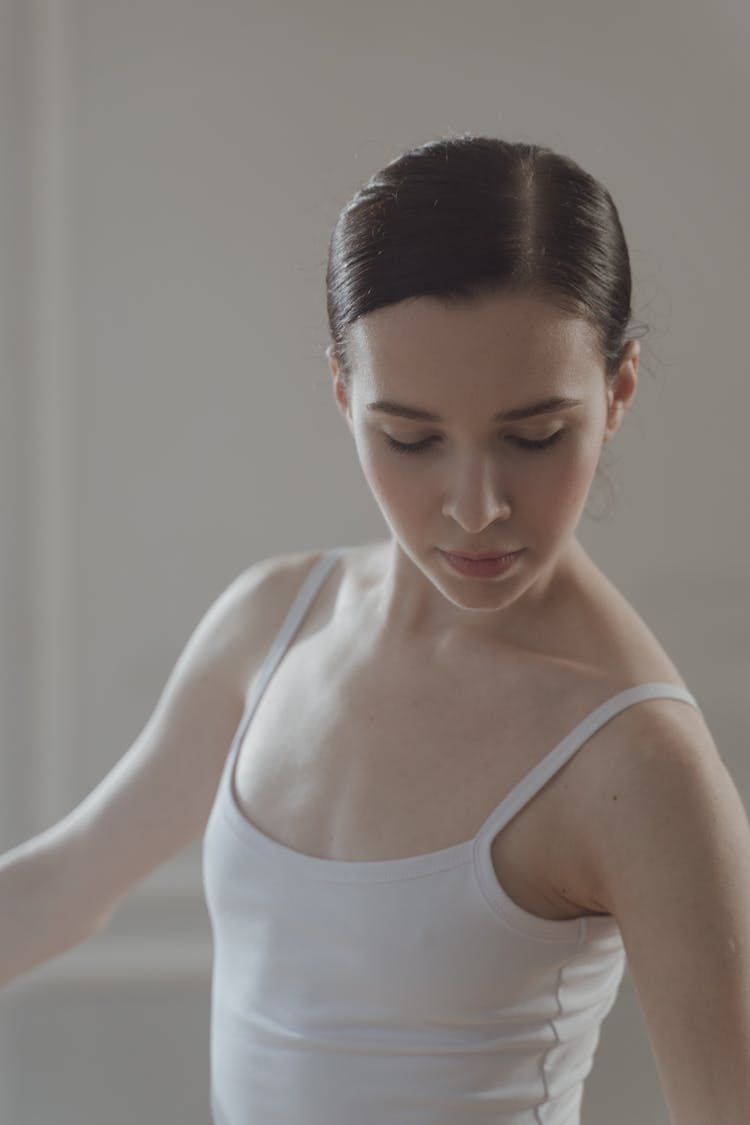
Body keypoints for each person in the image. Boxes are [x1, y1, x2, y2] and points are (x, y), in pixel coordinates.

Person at [2, 134, 749, 1124]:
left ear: (617, 391)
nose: (475, 505)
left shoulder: (639, 761)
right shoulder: (272, 625)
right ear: (344, 392)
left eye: (534, 437)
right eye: (411, 438)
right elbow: (66, 886)